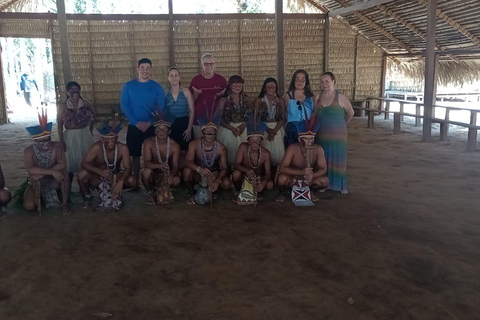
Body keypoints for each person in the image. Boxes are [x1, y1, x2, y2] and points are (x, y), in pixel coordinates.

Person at [121, 58, 166, 188]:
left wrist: (150, 122)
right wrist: (135, 122)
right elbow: (124, 105)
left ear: (151, 69)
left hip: (151, 126)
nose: (145, 70)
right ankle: (135, 181)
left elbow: (161, 106)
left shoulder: (157, 87)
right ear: (137, 69)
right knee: (134, 154)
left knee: (153, 154)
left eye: (147, 68)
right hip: (134, 126)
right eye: (142, 67)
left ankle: (153, 181)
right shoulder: (129, 86)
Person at [78, 119, 137, 211]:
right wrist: (99, 171)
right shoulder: (97, 147)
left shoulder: (122, 148)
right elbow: (84, 163)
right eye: (107, 139)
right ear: (102, 139)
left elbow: (128, 167)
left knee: (132, 180)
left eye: (113, 138)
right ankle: (87, 197)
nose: (111, 142)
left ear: (117, 138)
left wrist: (120, 181)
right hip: (97, 176)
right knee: (82, 174)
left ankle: (117, 192)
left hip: (115, 176)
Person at [23, 110, 71, 215]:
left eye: (48, 139)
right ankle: (43, 198)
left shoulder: (57, 145)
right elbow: (30, 169)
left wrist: (42, 173)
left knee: (65, 174)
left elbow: (62, 164)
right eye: (42, 141)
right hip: (37, 180)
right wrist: (52, 172)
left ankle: (65, 205)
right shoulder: (28, 151)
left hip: (54, 179)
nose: (46, 143)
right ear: (35, 141)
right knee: (29, 206)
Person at [314, 72, 354, 194]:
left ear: (333, 82)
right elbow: (315, 115)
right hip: (321, 135)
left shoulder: (340, 97)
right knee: (323, 159)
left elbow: (350, 113)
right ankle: (324, 183)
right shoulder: (318, 98)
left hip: (338, 136)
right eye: (322, 82)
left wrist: (342, 125)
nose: (324, 84)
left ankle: (340, 185)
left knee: (338, 159)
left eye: (327, 81)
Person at [276, 116, 329, 203]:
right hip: (293, 178)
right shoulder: (292, 148)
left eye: (311, 139)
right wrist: (301, 172)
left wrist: (312, 176)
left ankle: (310, 190)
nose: (309, 142)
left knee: (324, 181)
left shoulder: (318, 149)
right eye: (306, 139)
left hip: (309, 180)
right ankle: (286, 191)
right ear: (299, 139)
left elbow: (323, 169)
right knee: (282, 179)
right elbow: (282, 168)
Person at [183, 118, 231, 205]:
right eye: (207, 133)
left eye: (212, 133)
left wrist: (217, 180)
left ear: (215, 133)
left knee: (227, 183)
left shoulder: (221, 148)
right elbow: (187, 161)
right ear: (202, 133)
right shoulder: (194, 144)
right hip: (198, 173)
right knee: (187, 171)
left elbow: (224, 168)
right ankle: (192, 193)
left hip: (213, 174)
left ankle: (212, 191)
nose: (209, 135)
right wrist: (199, 169)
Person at [57, 81, 95, 186]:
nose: (75, 93)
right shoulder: (63, 106)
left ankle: (86, 187)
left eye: (77, 91)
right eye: (72, 91)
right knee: (69, 163)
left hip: (84, 134)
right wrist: (61, 140)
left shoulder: (85, 103)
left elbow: (94, 116)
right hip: (70, 136)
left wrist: (90, 130)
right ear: (67, 92)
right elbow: (59, 123)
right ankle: (68, 189)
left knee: (86, 160)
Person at [141, 112, 181, 205]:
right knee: (146, 172)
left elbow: (175, 165)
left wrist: (171, 174)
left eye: (164, 130)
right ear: (155, 131)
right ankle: (150, 193)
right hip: (153, 172)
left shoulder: (174, 145)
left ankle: (165, 189)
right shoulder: (148, 142)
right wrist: (158, 166)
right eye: (159, 130)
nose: (161, 132)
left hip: (166, 173)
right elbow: (146, 163)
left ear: (169, 132)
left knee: (176, 180)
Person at [232, 122, 273, 204]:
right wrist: (246, 170)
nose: (255, 143)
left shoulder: (266, 153)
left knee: (270, 185)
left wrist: (263, 183)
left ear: (261, 140)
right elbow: (236, 164)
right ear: (248, 140)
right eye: (252, 140)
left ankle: (258, 191)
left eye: (257, 140)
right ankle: (239, 190)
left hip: (258, 178)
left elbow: (268, 172)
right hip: (244, 176)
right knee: (236, 174)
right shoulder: (243, 147)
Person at [188, 53, 228, 139]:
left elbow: (227, 99)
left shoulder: (221, 79)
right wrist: (196, 94)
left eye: (211, 64)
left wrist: (222, 95)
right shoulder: (196, 80)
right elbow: (190, 101)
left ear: (214, 64)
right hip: (199, 119)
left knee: (217, 145)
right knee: (199, 145)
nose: (208, 66)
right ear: (202, 65)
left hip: (217, 120)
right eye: (206, 64)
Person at [217, 75, 253, 166]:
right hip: (227, 129)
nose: (237, 88)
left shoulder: (246, 99)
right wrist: (232, 128)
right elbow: (219, 118)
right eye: (235, 85)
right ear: (230, 86)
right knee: (229, 155)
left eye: (239, 85)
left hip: (243, 128)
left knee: (244, 156)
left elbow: (251, 116)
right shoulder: (223, 100)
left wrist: (244, 125)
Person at [253, 77, 286, 167]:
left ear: (276, 88)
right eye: (268, 87)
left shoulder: (281, 101)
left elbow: (283, 118)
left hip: (277, 128)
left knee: (277, 156)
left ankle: (274, 176)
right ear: (264, 88)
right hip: (263, 128)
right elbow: (255, 118)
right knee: (263, 153)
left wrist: (274, 131)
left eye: (273, 87)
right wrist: (268, 130)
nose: (271, 89)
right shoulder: (259, 101)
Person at [165, 67, 195, 164]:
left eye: (176, 75)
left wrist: (189, 128)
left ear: (179, 77)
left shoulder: (186, 92)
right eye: (171, 75)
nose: (174, 78)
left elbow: (191, 111)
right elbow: (162, 112)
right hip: (170, 125)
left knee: (184, 151)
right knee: (171, 151)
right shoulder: (165, 93)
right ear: (168, 78)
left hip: (184, 124)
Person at [283, 70, 315, 148]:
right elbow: (282, 114)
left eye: (303, 79)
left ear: (306, 82)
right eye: (297, 79)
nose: (300, 82)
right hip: (291, 131)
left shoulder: (312, 98)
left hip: (307, 132)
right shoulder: (287, 96)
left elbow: (315, 115)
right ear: (293, 81)